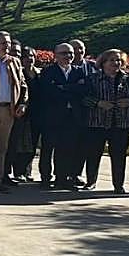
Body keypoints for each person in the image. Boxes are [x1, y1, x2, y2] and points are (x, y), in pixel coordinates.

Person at [82, 48, 129, 194]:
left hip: (121, 123)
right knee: (93, 154)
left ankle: (118, 184)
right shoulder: (93, 78)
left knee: (119, 155)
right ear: (103, 62)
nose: (116, 63)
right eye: (112, 60)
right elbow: (83, 97)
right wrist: (98, 103)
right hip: (98, 122)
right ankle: (91, 181)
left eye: (119, 60)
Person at [36, 43, 86, 189]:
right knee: (48, 149)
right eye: (64, 53)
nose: (68, 56)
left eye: (70, 53)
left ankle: (62, 178)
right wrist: (72, 88)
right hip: (52, 117)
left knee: (67, 149)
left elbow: (83, 90)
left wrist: (63, 87)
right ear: (56, 55)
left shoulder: (79, 72)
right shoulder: (48, 72)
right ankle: (45, 178)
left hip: (72, 117)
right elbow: (48, 92)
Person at [0, 31, 28, 193]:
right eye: (3, 43)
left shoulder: (14, 62)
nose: (7, 46)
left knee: (1, 146)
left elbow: (23, 85)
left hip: (7, 109)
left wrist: (22, 103)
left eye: (8, 43)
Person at [68, 37, 101, 189]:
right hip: (71, 112)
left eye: (81, 48)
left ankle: (78, 174)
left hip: (93, 113)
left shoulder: (94, 66)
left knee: (85, 146)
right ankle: (67, 173)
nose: (78, 52)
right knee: (71, 145)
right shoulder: (66, 68)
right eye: (75, 49)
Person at [8, 43, 41, 182]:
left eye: (32, 56)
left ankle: (27, 171)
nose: (29, 59)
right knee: (19, 144)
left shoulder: (40, 74)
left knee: (32, 145)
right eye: (26, 56)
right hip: (21, 113)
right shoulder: (19, 73)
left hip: (37, 114)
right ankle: (17, 172)